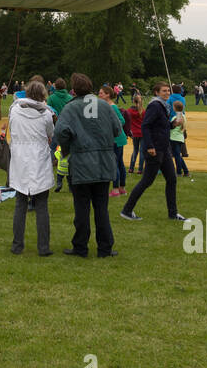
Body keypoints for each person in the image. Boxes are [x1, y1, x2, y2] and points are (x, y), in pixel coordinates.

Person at [54, 73, 121, 256]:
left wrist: (66, 149)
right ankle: (105, 248)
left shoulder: (71, 108)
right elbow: (117, 129)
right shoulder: (104, 106)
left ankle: (81, 246)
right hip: (103, 163)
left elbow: (60, 132)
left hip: (81, 164)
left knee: (82, 208)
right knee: (101, 208)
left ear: (74, 90)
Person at [120, 82, 185, 224]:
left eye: (168, 90)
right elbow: (146, 126)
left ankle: (173, 213)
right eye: (164, 91)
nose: (167, 93)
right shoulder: (155, 106)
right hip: (154, 149)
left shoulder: (163, 106)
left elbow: (161, 126)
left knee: (172, 179)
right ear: (156, 92)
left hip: (164, 148)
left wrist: (173, 124)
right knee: (147, 181)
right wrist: (149, 146)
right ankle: (127, 210)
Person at [8, 79, 55, 256]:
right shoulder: (46, 114)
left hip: (21, 158)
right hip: (38, 158)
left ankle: (17, 245)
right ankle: (43, 247)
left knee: (20, 203)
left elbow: (12, 129)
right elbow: (51, 133)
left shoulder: (14, 110)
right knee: (41, 204)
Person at [99, 85, 128, 195]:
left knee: (114, 164)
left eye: (101, 93)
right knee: (119, 163)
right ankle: (122, 188)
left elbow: (121, 120)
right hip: (117, 139)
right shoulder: (107, 106)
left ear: (108, 95)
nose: (99, 95)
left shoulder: (112, 107)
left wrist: (110, 128)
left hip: (116, 139)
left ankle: (116, 189)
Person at [168, 100, 190, 178]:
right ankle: (186, 171)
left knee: (177, 156)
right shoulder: (183, 116)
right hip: (180, 138)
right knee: (178, 155)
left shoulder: (176, 117)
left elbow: (172, 127)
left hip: (174, 138)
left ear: (174, 108)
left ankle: (178, 172)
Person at [126, 97, 144, 175]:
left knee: (135, 150)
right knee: (142, 151)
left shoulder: (129, 111)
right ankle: (140, 169)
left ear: (133, 101)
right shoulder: (143, 111)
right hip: (142, 133)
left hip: (134, 133)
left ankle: (131, 168)